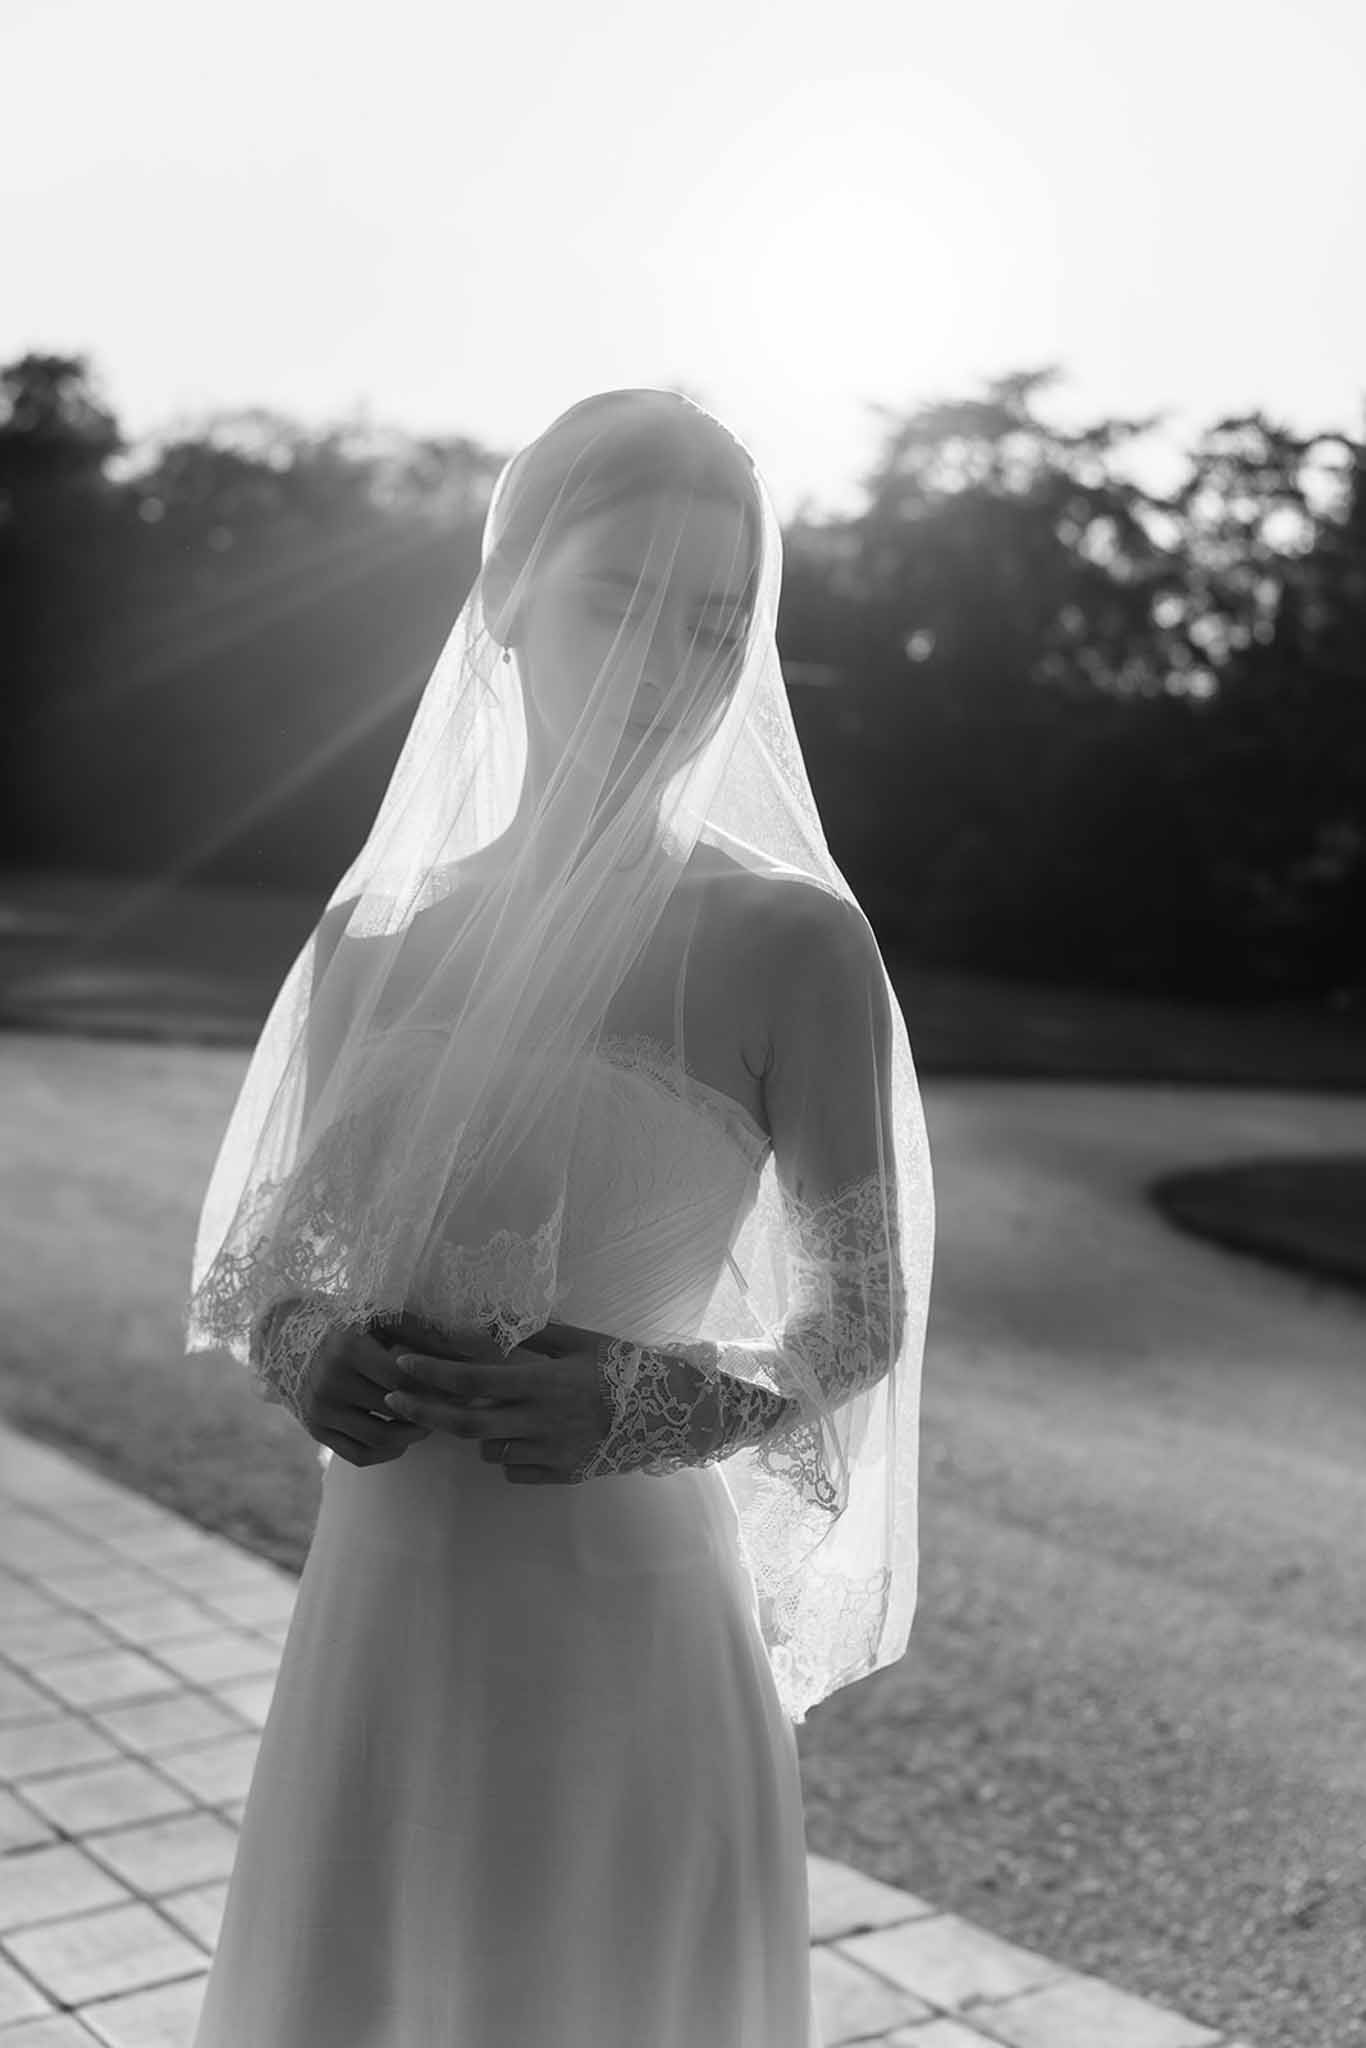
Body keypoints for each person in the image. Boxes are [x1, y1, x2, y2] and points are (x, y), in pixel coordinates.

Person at [185, 389, 935, 2046]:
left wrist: (651, 1402)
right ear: (507, 590)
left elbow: (860, 1315)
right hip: (380, 1612)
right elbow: (279, 1262)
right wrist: (307, 1348)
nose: (667, 662)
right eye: (620, 599)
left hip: (625, 1621)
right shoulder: (375, 940)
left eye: (714, 623)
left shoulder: (789, 943)